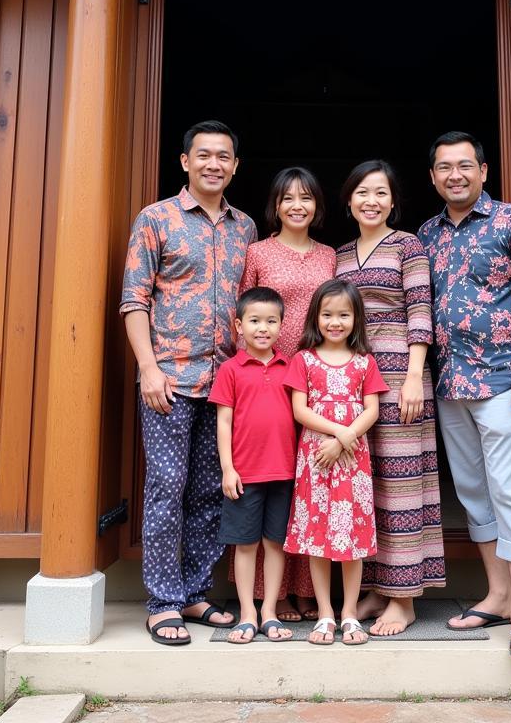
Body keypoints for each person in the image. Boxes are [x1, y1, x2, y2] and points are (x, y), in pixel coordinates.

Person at [120, 121, 257, 647]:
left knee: (209, 492)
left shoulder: (244, 227)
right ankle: (162, 602)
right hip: (171, 381)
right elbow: (135, 299)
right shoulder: (156, 219)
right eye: (204, 155)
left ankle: (197, 591)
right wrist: (148, 368)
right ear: (185, 161)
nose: (214, 164)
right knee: (165, 490)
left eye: (224, 156)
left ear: (235, 166)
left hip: (224, 383)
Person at [417, 131, 511, 659]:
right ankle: (496, 595)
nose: (455, 175)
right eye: (445, 167)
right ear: (432, 177)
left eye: (465, 166)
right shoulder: (426, 234)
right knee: (474, 491)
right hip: (450, 383)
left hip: (504, 379)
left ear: (484, 171)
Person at [334, 160, 446, 636]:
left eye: (380, 192)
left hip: (402, 373)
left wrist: (416, 377)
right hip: (354, 378)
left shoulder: (409, 246)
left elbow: (421, 309)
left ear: (394, 201)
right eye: (362, 192)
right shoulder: (339, 255)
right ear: (349, 201)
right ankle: (378, 588)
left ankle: (404, 599)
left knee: (402, 486)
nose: (371, 201)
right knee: (367, 483)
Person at [234, 167, 337, 621]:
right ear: (275, 205)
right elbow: (243, 313)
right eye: (288, 198)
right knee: (271, 481)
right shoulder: (257, 251)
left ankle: (304, 590)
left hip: (316, 377)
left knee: (308, 485)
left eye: (307, 198)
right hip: (269, 377)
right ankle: (269, 596)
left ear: (317, 206)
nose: (298, 205)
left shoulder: (330, 255)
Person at [283, 279, 388, 646]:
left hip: (353, 463)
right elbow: (300, 409)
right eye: (327, 314)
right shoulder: (304, 359)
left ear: (356, 319)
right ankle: (325, 612)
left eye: (344, 314)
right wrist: (337, 435)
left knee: (352, 539)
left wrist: (345, 439)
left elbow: (372, 409)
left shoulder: (364, 362)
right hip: (317, 461)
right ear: (316, 317)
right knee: (319, 537)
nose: (335, 322)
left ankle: (349, 614)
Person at [209, 287, 296, 645]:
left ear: (281, 325)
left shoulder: (290, 367)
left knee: (275, 544)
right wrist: (228, 469)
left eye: (271, 321)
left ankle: (270, 611)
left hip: (284, 472)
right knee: (245, 546)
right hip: (245, 474)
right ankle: (247, 613)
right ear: (239, 325)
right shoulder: (231, 370)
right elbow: (224, 422)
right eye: (255, 321)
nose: (263, 328)